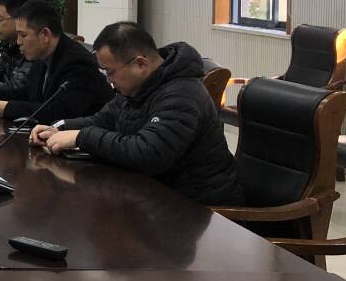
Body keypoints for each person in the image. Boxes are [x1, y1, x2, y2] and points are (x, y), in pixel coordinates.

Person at [30, 22, 244, 205]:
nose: (108, 80)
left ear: (140, 64)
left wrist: (81, 137)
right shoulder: (137, 86)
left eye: (110, 72)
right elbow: (102, 119)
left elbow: (148, 153)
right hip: (156, 196)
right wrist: (59, 128)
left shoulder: (182, 94)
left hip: (197, 207)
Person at [0, 0, 111, 124]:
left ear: (45, 35)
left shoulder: (78, 63)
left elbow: (60, 112)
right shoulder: (43, 55)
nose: (18, 42)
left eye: (23, 35)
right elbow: (27, 92)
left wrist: (7, 108)